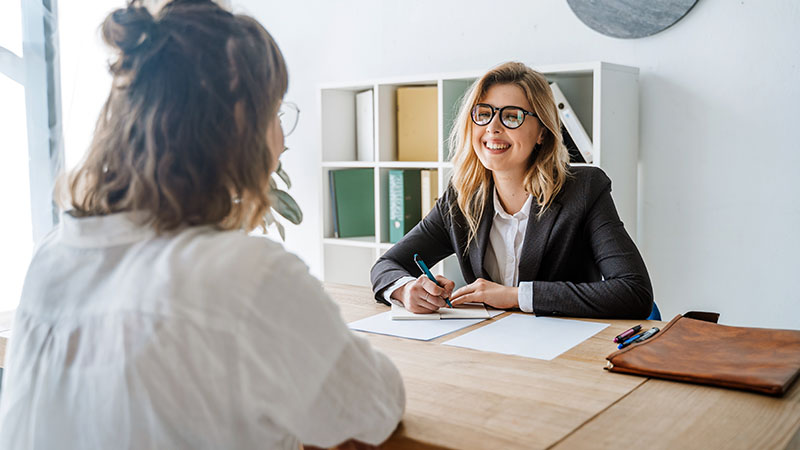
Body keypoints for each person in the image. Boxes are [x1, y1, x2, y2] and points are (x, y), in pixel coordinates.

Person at [0, 1, 404, 449]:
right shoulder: (246, 275)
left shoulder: (53, 254)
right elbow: (373, 408)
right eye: (274, 112)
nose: (284, 140)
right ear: (236, 122)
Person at [371, 62, 653, 319]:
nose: (492, 128)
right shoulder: (460, 198)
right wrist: (406, 289)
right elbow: (388, 265)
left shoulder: (584, 189)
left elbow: (633, 292)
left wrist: (515, 297)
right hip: (491, 348)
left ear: (542, 131)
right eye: (483, 114)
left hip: (564, 352)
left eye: (512, 116)